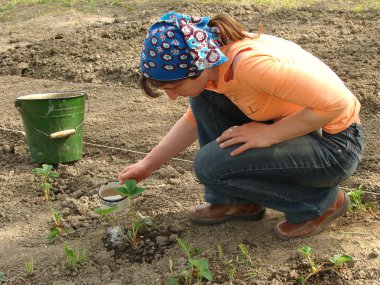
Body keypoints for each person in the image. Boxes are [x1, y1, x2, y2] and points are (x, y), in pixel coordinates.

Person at [118, 11, 364, 240]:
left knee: (209, 165)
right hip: (304, 127)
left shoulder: (249, 66)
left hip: (336, 146)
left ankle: (320, 203)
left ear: (198, 68)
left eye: (173, 88)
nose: (171, 97)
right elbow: (195, 120)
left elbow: (339, 103)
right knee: (203, 98)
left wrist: (270, 134)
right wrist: (147, 164)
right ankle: (236, 201)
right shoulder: (212, 64)